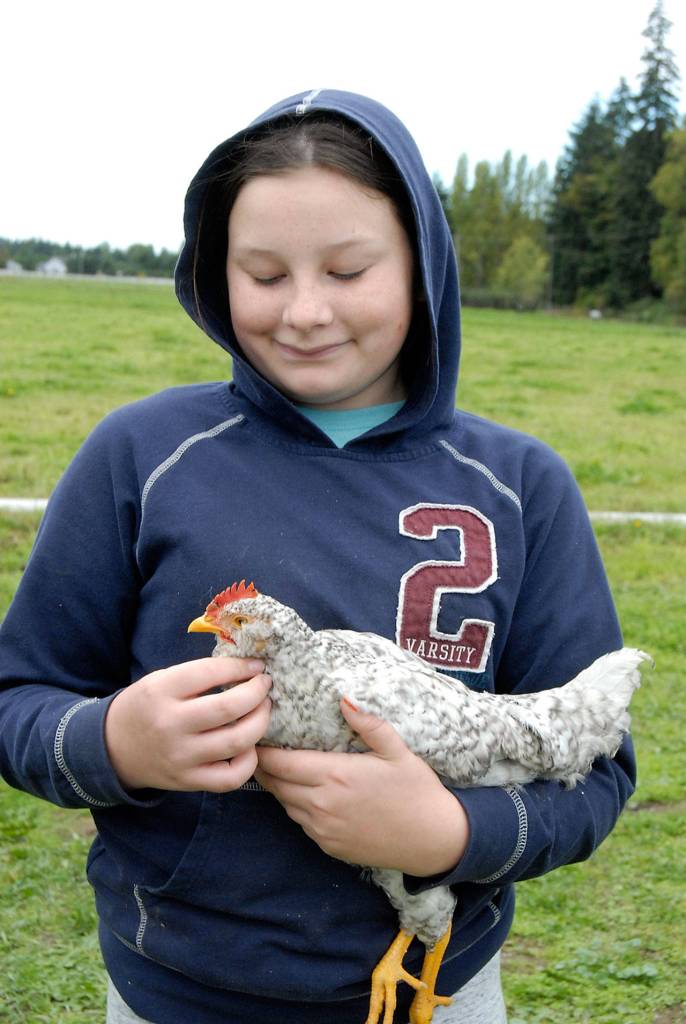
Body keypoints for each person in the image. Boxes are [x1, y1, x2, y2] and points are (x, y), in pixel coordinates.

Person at [0, 89, 635, 1024]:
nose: (303, 311)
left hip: (437, 990)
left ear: (424, 265)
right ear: (215, 272)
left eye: (347, 270)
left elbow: (600, 765)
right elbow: (20, 696)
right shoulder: (143, 455)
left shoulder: (519, 486)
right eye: (261, 273)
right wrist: (117, 743)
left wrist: (452, 829)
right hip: (179, 992)